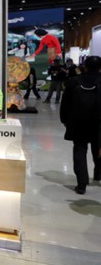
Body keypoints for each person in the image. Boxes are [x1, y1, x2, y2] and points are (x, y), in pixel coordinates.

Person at [60, 55, 101, 195]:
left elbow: (65, 103)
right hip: (98, 122)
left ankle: (81, 184)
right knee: (98, 148)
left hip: (78, 121)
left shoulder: (74, 81)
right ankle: (98, 174)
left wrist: (64, 120)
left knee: (79, 150)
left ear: (85, 66)